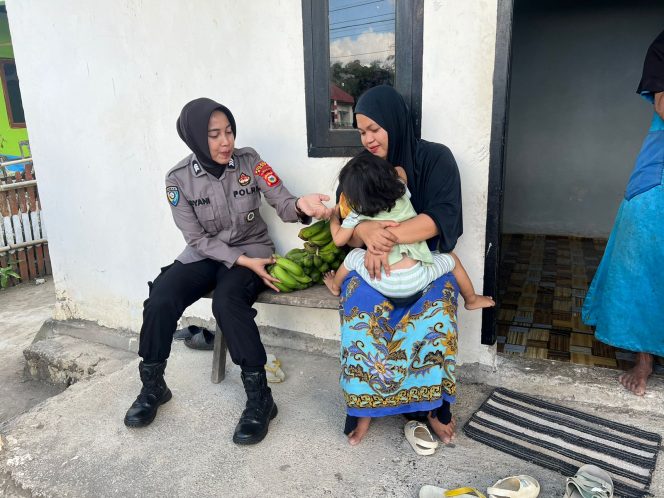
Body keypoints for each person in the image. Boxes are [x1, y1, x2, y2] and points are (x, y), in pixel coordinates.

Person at [123, 98, 333, 445]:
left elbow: (282, 200)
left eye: (229, 131)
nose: (226, 142)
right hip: (204, 254)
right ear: (194, 138)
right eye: (214, 134)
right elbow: (196, 239)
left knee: (227, 302)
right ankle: (152, 387)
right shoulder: (177, 180)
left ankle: (260, 399)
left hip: (253, 250)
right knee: (160, 298)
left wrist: (300, 206)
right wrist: (237, 261)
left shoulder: (250, 161)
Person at [336, 85, 466, 446]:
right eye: (362, 131)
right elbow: (347, 220)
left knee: (438, 306)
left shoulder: (435, 159)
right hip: (375, 267)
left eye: (375, 129)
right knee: (359, 306)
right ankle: (362, 407)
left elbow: (442, 219)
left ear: (395, 122)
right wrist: (364, 228)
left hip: (421, 265)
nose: (369, 139)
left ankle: (434, 407)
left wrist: (386, 236)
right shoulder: (362, 168)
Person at [583, 30, 664, 396]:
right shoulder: (663, 46)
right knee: (644, 265)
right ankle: (644, 359)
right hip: (658, 175)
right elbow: (663, 104)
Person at [324, 153, 495, 311]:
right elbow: (400, 171)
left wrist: (334, 217)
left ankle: (334, 286)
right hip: (417, 278)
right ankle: (472, 300)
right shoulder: (401, 192)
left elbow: (339, 240)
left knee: (353, 256)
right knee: (452, 259)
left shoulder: (358, 212)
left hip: (382, 281)